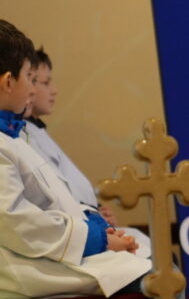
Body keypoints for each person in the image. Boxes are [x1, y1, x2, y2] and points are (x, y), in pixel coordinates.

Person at [0, 20, 148, 299]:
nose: (33, 89)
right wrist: (96, 239)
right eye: (30, 77)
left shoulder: (11, 137)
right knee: (160, 282)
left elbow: (51, 200)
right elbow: (16, 222)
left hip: (45, 256)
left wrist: (95, 224)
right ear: (8, 82)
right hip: (27, 272)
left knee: (157, 271)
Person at [22, 47, 152, 258]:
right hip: (68, 237)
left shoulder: (34, 131)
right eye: (43, 82)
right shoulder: (18, 137)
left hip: (83, 227)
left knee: (151, 253)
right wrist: (93, 220)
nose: (53, 90)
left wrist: (95, 212)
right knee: (148, 261)